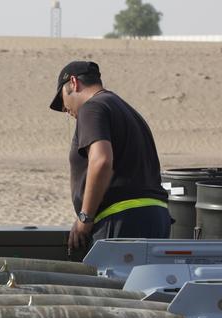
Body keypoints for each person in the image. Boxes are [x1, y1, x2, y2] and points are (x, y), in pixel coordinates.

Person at [49, 60, 170, 251]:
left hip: (122, 222)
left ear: (73, 83)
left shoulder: (92, 107)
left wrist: (85, 218)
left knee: (113, 282)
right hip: (156, 217)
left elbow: (102, 161)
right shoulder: (127, 110)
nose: (64, 109)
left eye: (61, 100)